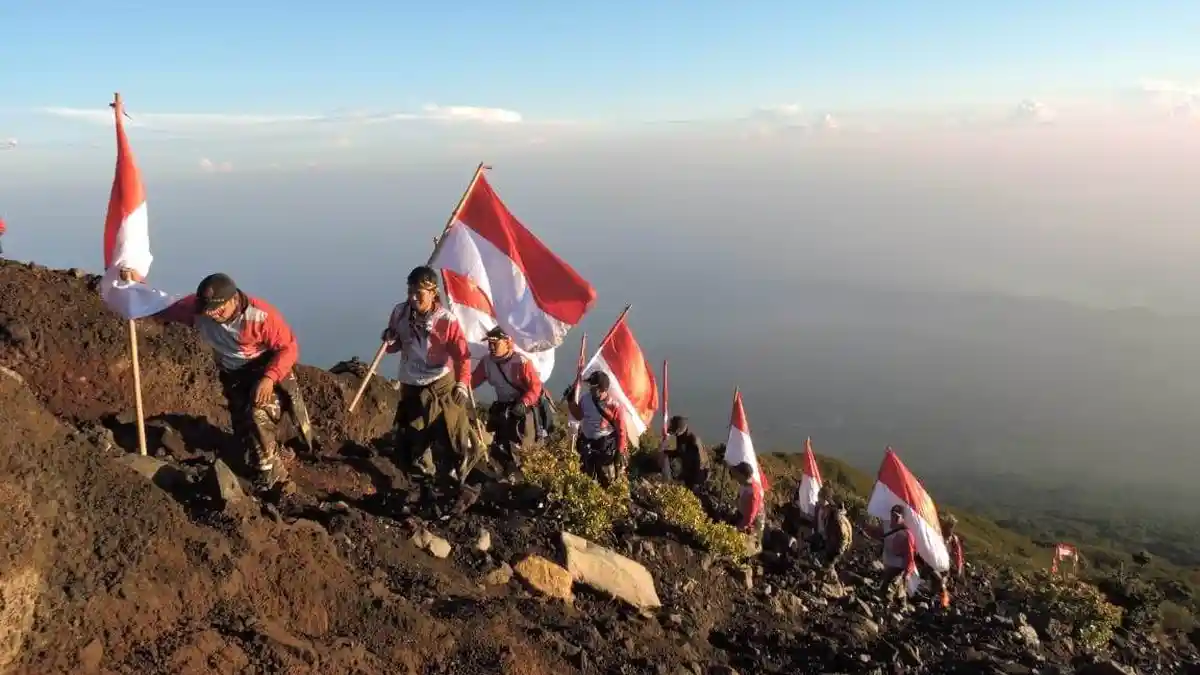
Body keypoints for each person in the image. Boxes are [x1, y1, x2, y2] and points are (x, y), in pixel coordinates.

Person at [134, 271, 314, 493]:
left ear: (234, 299)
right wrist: (137, 287)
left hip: (266, 370)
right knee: (243, 429)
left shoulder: (260, 316)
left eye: (219, 307)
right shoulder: (196, 311)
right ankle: (269, 452)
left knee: (257, 414)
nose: (213, 313)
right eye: (208, 308)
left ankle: (274, 476)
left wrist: (269, 378)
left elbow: (288, 348)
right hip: (234, 376)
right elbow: (162, 307)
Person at [381, 265, 482, 485]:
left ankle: (460, 469)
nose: (413, 297)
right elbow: (394, 346)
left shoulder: (446, 320)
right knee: (412, 435)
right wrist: (389, 338)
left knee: (451, 432)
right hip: (410, 382)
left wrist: (462, 384)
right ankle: (423, 479)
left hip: (440, 383)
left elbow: (462, 356)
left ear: (433, 292)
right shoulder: (400, 313)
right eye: (410, 291)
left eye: (419, 293)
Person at [471, 325, 543, 480]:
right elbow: (472, 381)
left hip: (521, 411)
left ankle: (523, 479)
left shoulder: (521, 362)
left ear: (508, 342)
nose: (491, 347)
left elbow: (536, 387)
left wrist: (524, 402)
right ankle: (504, 477)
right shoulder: (487, 362)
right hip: (502, 409)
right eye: (489, 343)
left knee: (522, 450)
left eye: (495, 343)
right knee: (500, 446)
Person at [566, 371, 627, 487]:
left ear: (602, 389)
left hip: (604, 446)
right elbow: (578, 415)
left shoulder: (614, 406)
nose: (590, 388)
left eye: (593, 386)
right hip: (586, 443)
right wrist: (570, 401)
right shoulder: (585, 399)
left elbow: (622, 432)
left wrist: (619, 453)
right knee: (585, 476)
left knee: (606, 480)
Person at [864, 504, 917, 611]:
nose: (894, 519)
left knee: (887, 590)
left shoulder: (906, 535)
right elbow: (878, 534)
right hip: (890, 566)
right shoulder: (889, 529)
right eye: (892, 515)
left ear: (903, 518)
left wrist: (907, 573)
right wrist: (867, 528)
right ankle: (902, 606)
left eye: (897, 517)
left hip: (898, 569)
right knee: (897, 590)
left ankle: (885, 609)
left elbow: (910, 556)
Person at [661, 415, 709, 491]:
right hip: (688, 471)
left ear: (680, 431)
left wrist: (696, 483)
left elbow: (700, 464)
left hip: (699, 475)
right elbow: (679, 452)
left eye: (675, 433)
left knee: (691, 492)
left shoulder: (694, 441)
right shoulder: (680, 437)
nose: (674, 435)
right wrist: (666, 452)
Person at [731, 462, 766, 557]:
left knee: (740, 545)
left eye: (737, 474)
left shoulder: (753, 492)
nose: (735, 477)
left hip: (754, 524)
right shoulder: (744, 483)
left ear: (743, 475)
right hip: (744, 515)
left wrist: (737, 529)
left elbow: (750, 517)